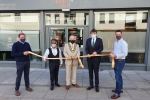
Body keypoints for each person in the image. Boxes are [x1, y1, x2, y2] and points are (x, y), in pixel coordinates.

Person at [109, 30, 128, 99]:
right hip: (116, 61)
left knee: (117, 77)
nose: (118, 35)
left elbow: (125, 53)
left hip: (120, 61)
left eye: (119, 34)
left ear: (121, 35)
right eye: (117, 34)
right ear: (115, 35)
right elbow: (115, 50)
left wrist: (115, 55)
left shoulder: (123, 43)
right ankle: (120, 88)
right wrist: (112, 52)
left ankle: (117, 93)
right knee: (119, 76)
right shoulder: (115, 42)